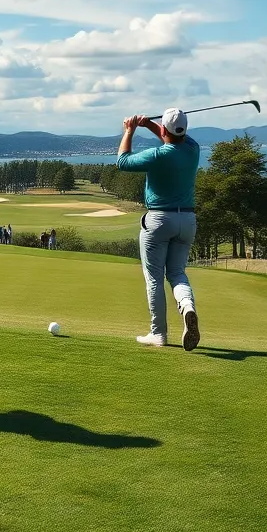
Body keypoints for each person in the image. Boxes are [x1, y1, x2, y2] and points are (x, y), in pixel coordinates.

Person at [116, 108, 201, 351]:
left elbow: (122, 161)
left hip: (159, 221)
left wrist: (131, 129)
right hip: (187, 220)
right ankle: (187, 306)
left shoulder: (158, 155)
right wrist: (150, 125)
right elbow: (171, 136)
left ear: (164, 129)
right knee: (177, 273)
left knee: (154, 279)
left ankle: (159, 333)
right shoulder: (192, 149)